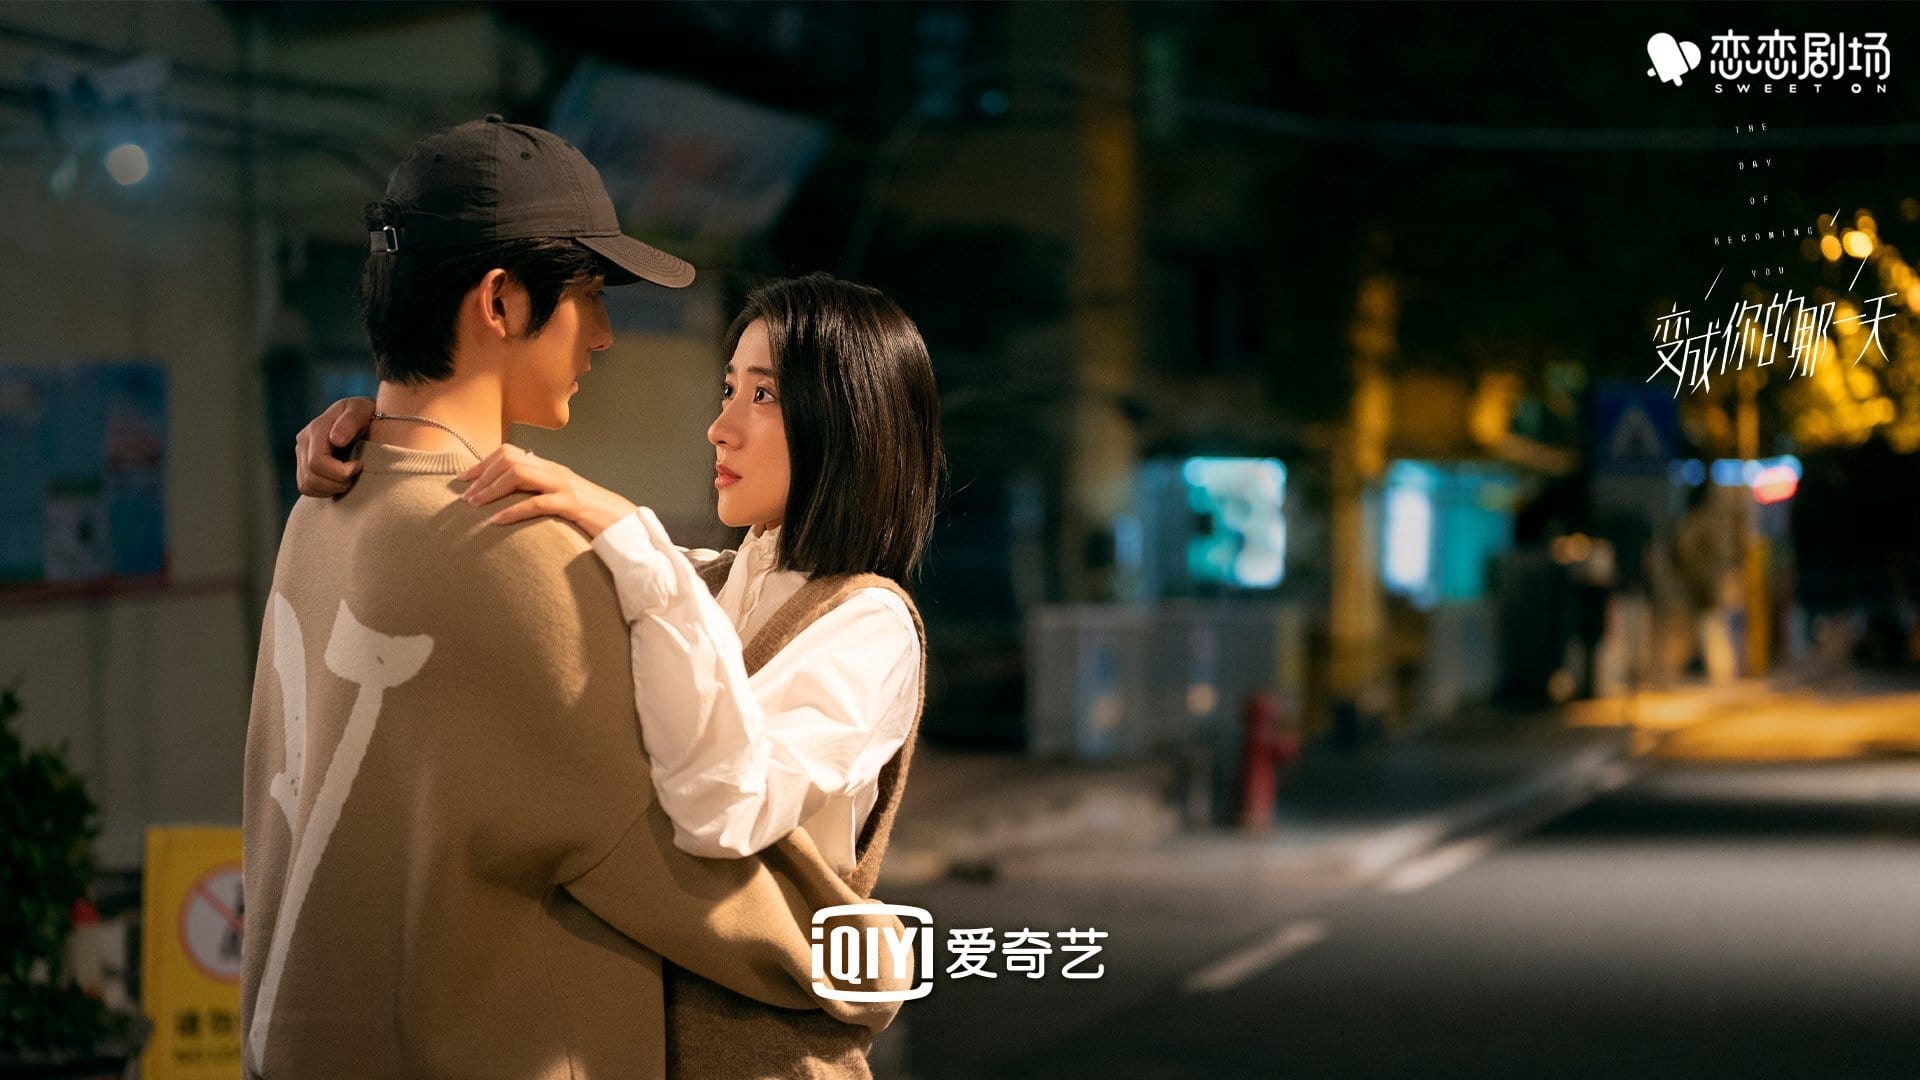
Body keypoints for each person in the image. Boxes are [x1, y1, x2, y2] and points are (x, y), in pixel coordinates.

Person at [243, 117, 903, 1080]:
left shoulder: (323, 504)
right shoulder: (530, 561)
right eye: (590, 296)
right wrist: (872, 959)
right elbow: (688, 867)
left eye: (759, 395)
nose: (602, 333)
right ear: (501, 301)